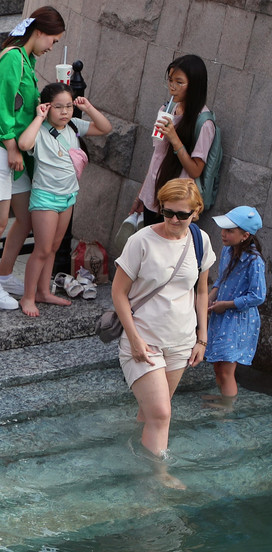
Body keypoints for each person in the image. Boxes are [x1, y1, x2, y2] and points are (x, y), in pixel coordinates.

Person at [111, 178, 215, 489]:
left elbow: (201, 291)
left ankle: (132, 463)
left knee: (150, 413)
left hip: (181, 342)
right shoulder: (141, 241)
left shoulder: (200, 241)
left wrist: (202, 339)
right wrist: (133, 338)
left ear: (195, 212)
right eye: (167, 212)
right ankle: (158, 478)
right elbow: (118, 293)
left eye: (181, 215)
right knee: (161, 413)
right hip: (143, 340)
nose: (173, 220)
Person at [0, 7, 65, 311]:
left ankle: (5, 274)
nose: (53, 46)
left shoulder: (26, 59)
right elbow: (0, 106)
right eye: (53, 39)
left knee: (24, 217)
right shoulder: (13, 58)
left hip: (14, 151)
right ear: (38, 32)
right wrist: (11, 147)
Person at [16, 84, 111, 316]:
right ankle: (27, 297)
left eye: (68, 106)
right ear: (47, 107)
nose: (65, 112)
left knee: (54, 248)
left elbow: (105, 128)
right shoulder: (39, 130)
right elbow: (24, 144)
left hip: (68, 196)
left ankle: (44, 291)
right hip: (45, 197)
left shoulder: (74, 126)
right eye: (58, 107)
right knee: (42, 249)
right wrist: (39, 117)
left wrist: (87, 107)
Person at [131, 55, 216, 230]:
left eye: (179, 82)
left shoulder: (203, 123)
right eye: (170, 80)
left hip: (176, 204)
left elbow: (195, 169)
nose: (172, 87)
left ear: (194, 86)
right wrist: (142, 194)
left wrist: (174, 139)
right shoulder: (166, 109)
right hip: (152, 195)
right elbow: (158, 156)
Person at [204, 206, 265, 411]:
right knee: (217, 364)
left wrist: (227, 305)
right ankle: (224, 397)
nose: (223, 233)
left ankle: (228, 408)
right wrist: (208, 301)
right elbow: (221, 280)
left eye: (229, 230)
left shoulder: (254, 261)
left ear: (245, 235)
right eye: (224, 229)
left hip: (238, 321)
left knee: (227, 370)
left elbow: (258, 296)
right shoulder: (227, 250)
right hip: (221, 315)